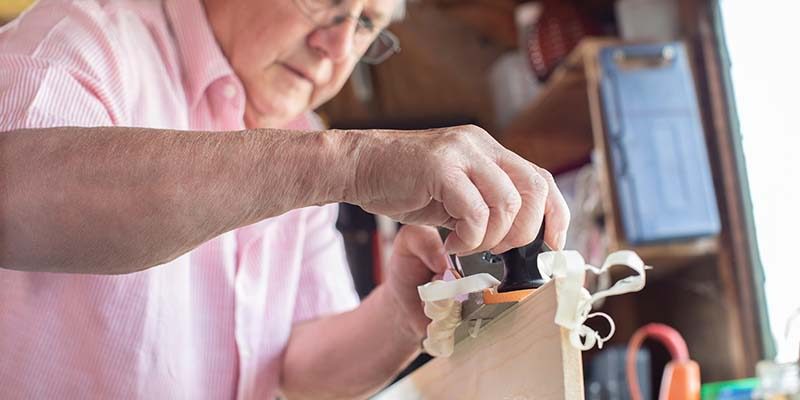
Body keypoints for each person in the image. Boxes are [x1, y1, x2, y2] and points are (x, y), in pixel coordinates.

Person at [0, 0, 570, 398]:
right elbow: (16, 204)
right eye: (324, 2)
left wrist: (400, 314)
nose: (337, 47)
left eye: (365, 23)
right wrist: (347, 163)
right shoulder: (82, 41)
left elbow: (294, 367)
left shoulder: (301, 131)